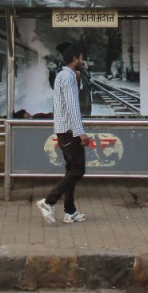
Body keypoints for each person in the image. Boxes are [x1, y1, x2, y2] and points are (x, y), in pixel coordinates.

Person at [35, 44, 90, 225]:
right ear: (74, 58)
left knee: (70, 170)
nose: (83, 61)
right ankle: (49, 201)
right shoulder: (67, 77)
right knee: (78, 170)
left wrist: (79, 77)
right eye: (81, 58)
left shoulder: (65, 75)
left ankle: (70, 211)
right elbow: (73, 105)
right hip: (70, 131)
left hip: (64, 130)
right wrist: (80, 132)